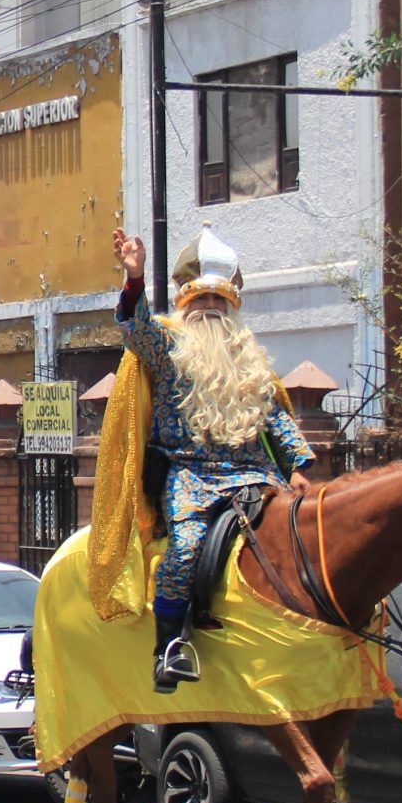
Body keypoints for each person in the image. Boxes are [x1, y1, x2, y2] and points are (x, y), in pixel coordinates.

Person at [104, 223, 315, 691]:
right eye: (200, 301)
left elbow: (274, 418)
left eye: (218, 301)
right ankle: (169, 650)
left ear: (232, 306)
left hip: (255, 475)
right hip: (191, 476)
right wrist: (135, 279)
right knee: (185, 550)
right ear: (185, 304)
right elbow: (133, 329)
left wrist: (298, 467)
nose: (210, 309)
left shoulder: (249, 359)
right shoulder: (168, 346)